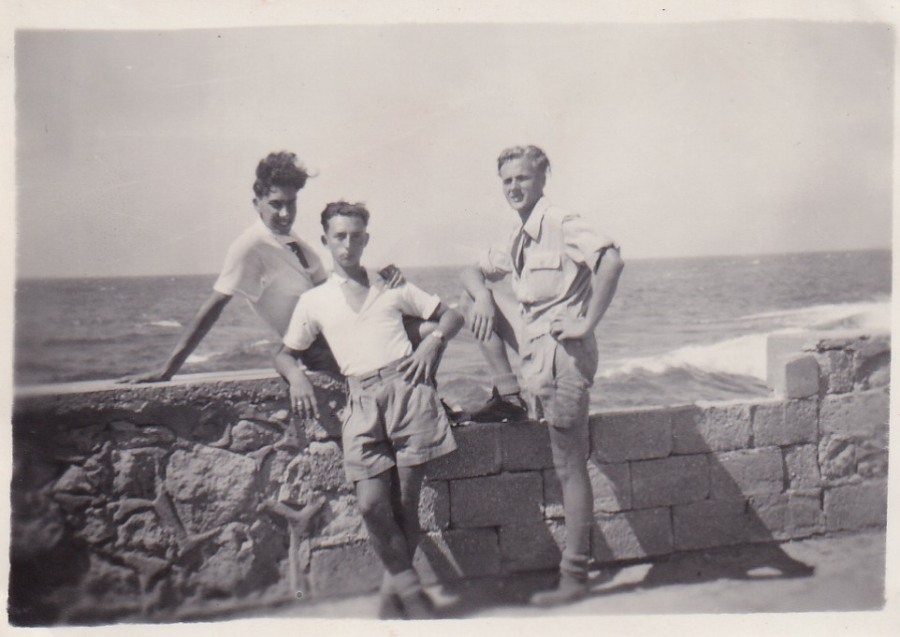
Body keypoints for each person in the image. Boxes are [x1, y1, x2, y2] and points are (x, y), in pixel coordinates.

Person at [275, 201, 462, 620]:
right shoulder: (314, 301)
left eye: (356, 236)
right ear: (325, 240)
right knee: (371, 504)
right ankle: (408, 595)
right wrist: (297, 377)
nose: (348, 244)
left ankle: (399, 600)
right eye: (339, 236)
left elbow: (452, 316)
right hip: (359, 401)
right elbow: (284, 354)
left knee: (406, 504)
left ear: (366, 239)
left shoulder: (391, 284)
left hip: (408, 391)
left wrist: (432, 344)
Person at [460, 145, 624, 606]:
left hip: (563, 357)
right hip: (533, 352)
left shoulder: (561, 222)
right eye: (507, 180)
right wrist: (485, 297)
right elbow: (470, 270)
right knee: (469, 299)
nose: (515, 187)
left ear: (543, 177)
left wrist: (586, 323)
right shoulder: (518, 233)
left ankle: (575, 575)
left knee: (568, 465)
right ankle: (508, 394)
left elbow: (611, 260)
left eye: (523, 178)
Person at [118, 151, 407, 383]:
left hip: (345, 330)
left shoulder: (294, 242)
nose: (285, 213)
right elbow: (214, 306)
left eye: (291, 203)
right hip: (320, 348)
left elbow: (334, 288)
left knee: (421, 331)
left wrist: (378, 276)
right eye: (275, 204)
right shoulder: (250, 245)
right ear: (257, 203)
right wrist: (168, 369)